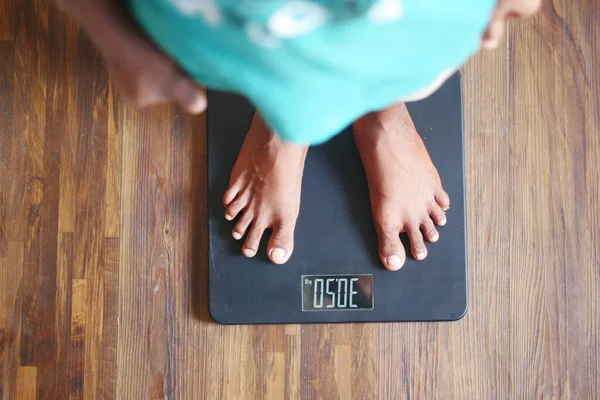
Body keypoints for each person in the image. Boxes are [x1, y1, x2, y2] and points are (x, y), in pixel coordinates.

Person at [57, 0, 541, 270]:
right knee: (266, 72)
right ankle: (279, 128)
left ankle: (382, 118)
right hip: (230, 21)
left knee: (398, 65)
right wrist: (115, 39)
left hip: (413, 15)